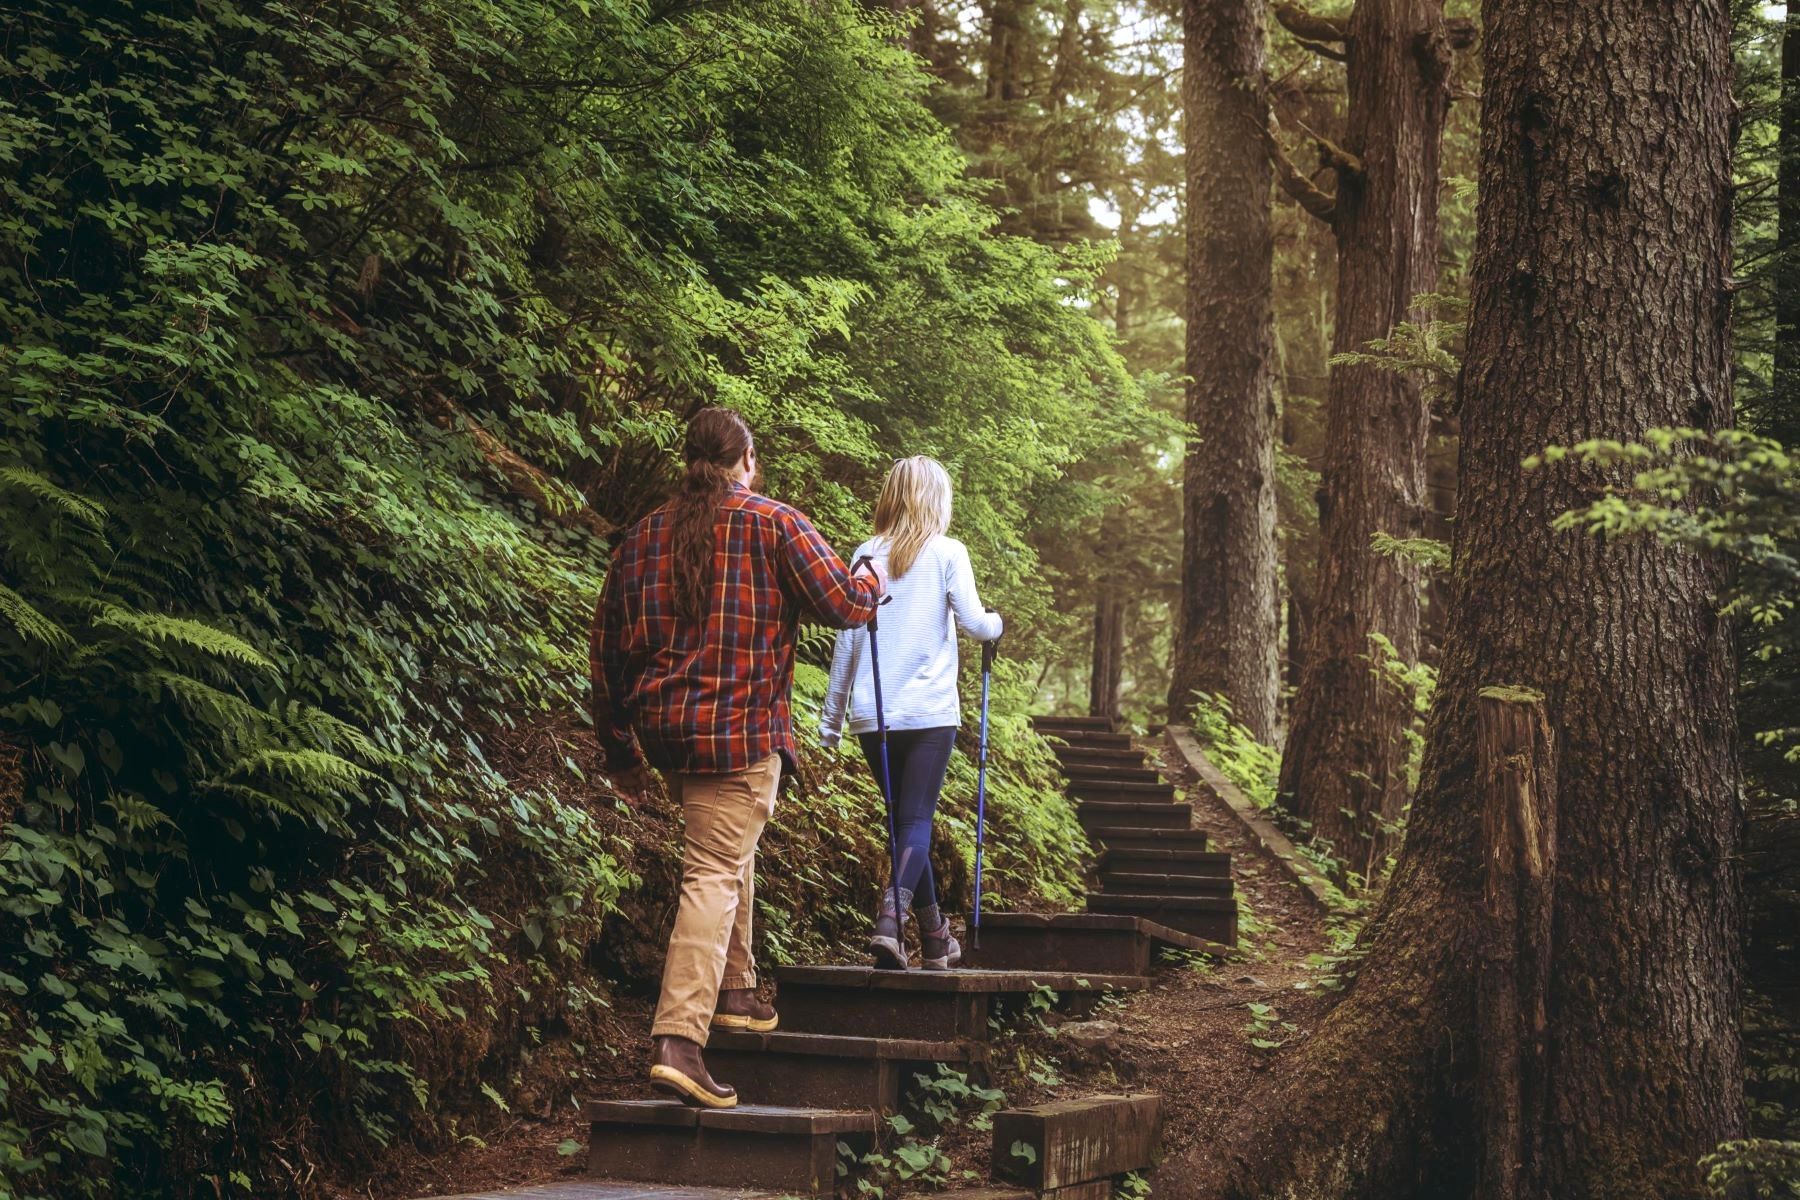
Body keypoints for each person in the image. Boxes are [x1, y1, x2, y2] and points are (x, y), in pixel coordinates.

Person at [590, 407, 886, 1108]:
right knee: (714, 872)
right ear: (746, 460)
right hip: (740, 735)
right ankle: (678, 1042)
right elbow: (846, 603)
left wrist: (622, 752)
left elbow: (605, 653)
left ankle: (739, 992)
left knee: (726, 851)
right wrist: (872, 576)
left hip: (669, 737)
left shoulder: (640, 538)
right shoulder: (773, 522)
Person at [820, 456, 1003, 970]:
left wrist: (832, 720)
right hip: (928, 714)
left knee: (904, 824)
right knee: (916, 821)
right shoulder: (949, 553)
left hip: (872, 714)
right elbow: (973, 622)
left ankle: (936, 936)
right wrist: (997, 624)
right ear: (935, 500)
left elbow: (847, 642)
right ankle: (888, 923)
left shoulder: (865, 554)